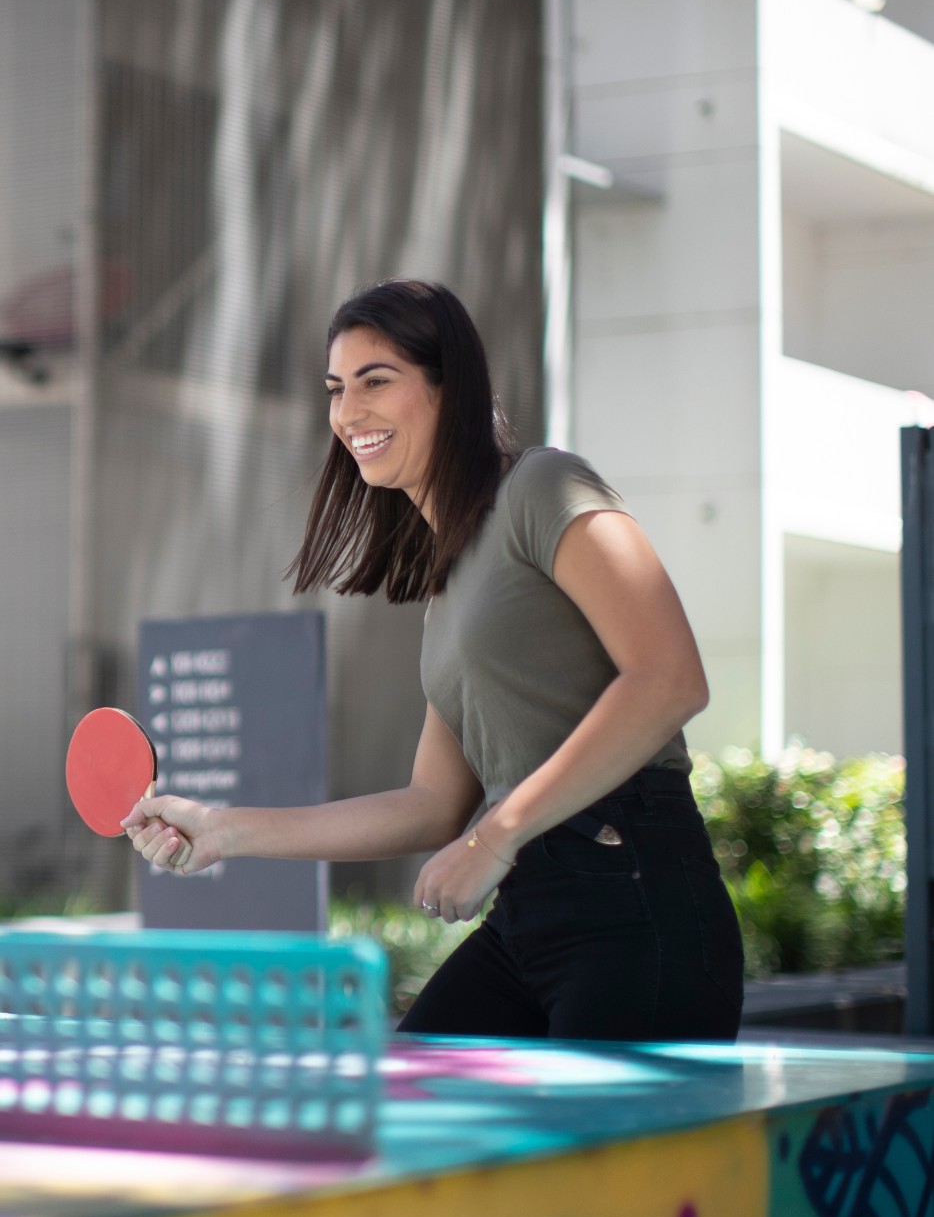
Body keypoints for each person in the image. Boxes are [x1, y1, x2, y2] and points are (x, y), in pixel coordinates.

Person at [123, 278, 744, 1042]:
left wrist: (493, 838)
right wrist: (222, 830)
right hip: (530, 906)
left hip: (634, 894)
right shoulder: (448, 584)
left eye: (377, 381)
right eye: (336, 389)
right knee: (411, 1113)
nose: (350, 413)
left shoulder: (544, 487)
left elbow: (670, 678)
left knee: (585, 1162)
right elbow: (431, 803)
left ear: (451, 390)